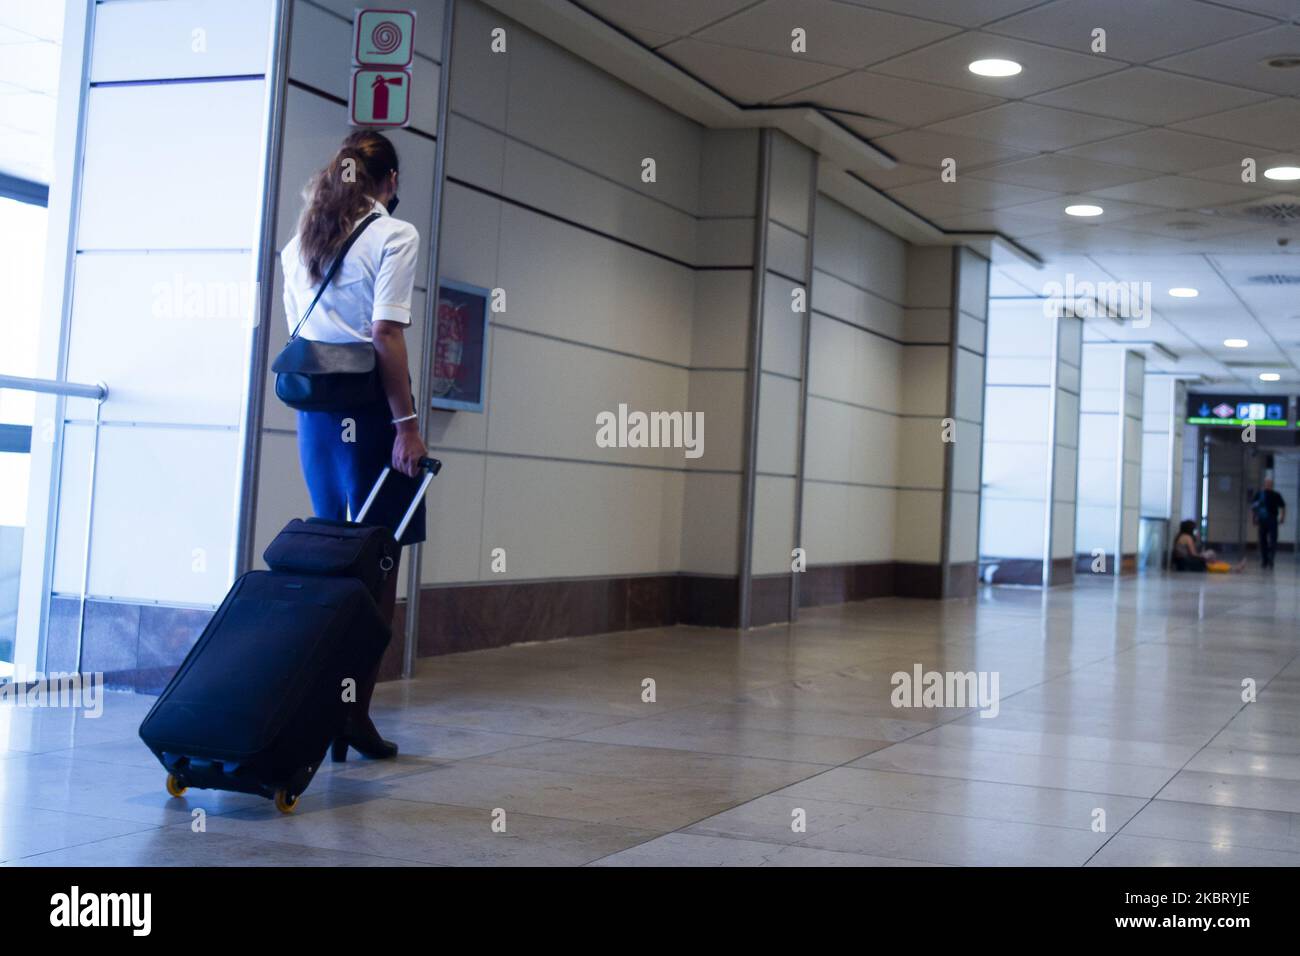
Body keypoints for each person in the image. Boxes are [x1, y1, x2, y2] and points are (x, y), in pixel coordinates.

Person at [280, 130, 427, 761]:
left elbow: (305, 333)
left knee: (333, 556)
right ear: (389, 183)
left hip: (315, 415)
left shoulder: (299, 242)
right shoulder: (395, 234)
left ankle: (322, 706)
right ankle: (352, 715)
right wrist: (408, 425)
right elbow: (385, 335)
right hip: (369, 413)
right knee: (378, 567)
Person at [1171, 520, 1243, 573]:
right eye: (1194, 529)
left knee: (1211, 560)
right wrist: (1204, 557)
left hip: (1181, 562)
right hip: (1186, 562)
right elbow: (1193, 554)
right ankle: (1233, 568)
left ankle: (1233, 567)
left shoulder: (1181, 536)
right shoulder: (1188, 538)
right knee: (1211, 556)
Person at [1250, 478, 1286, 569]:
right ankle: (1264, 560)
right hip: (1262, 519)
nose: (1268, 484)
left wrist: (1282, 517)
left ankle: (1271, 559)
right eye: (1267, 483)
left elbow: (1282, 506)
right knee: (1262, 540)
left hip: (1272, 519)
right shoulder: (1259, 494)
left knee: (1273, 540)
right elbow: (1254, 507)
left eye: (1270, 483)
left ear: (1272, 485)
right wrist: (1254, 518)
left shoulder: (1276, 495)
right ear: (1264, 484)